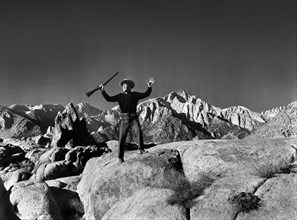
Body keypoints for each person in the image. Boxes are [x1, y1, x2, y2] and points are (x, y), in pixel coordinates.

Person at [98, 77, 155, 163]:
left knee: (138, 132)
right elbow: (108, 98)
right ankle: (120, 158)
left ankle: (141, 150)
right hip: (124, 120)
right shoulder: (119, 96)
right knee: (122, 138)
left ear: (130, 86)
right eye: (123, 85)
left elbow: (146, 94)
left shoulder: (135, 95)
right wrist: (103, 91)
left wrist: (149, 87)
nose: (124, 86)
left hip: (134, 119)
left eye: (126, 84)